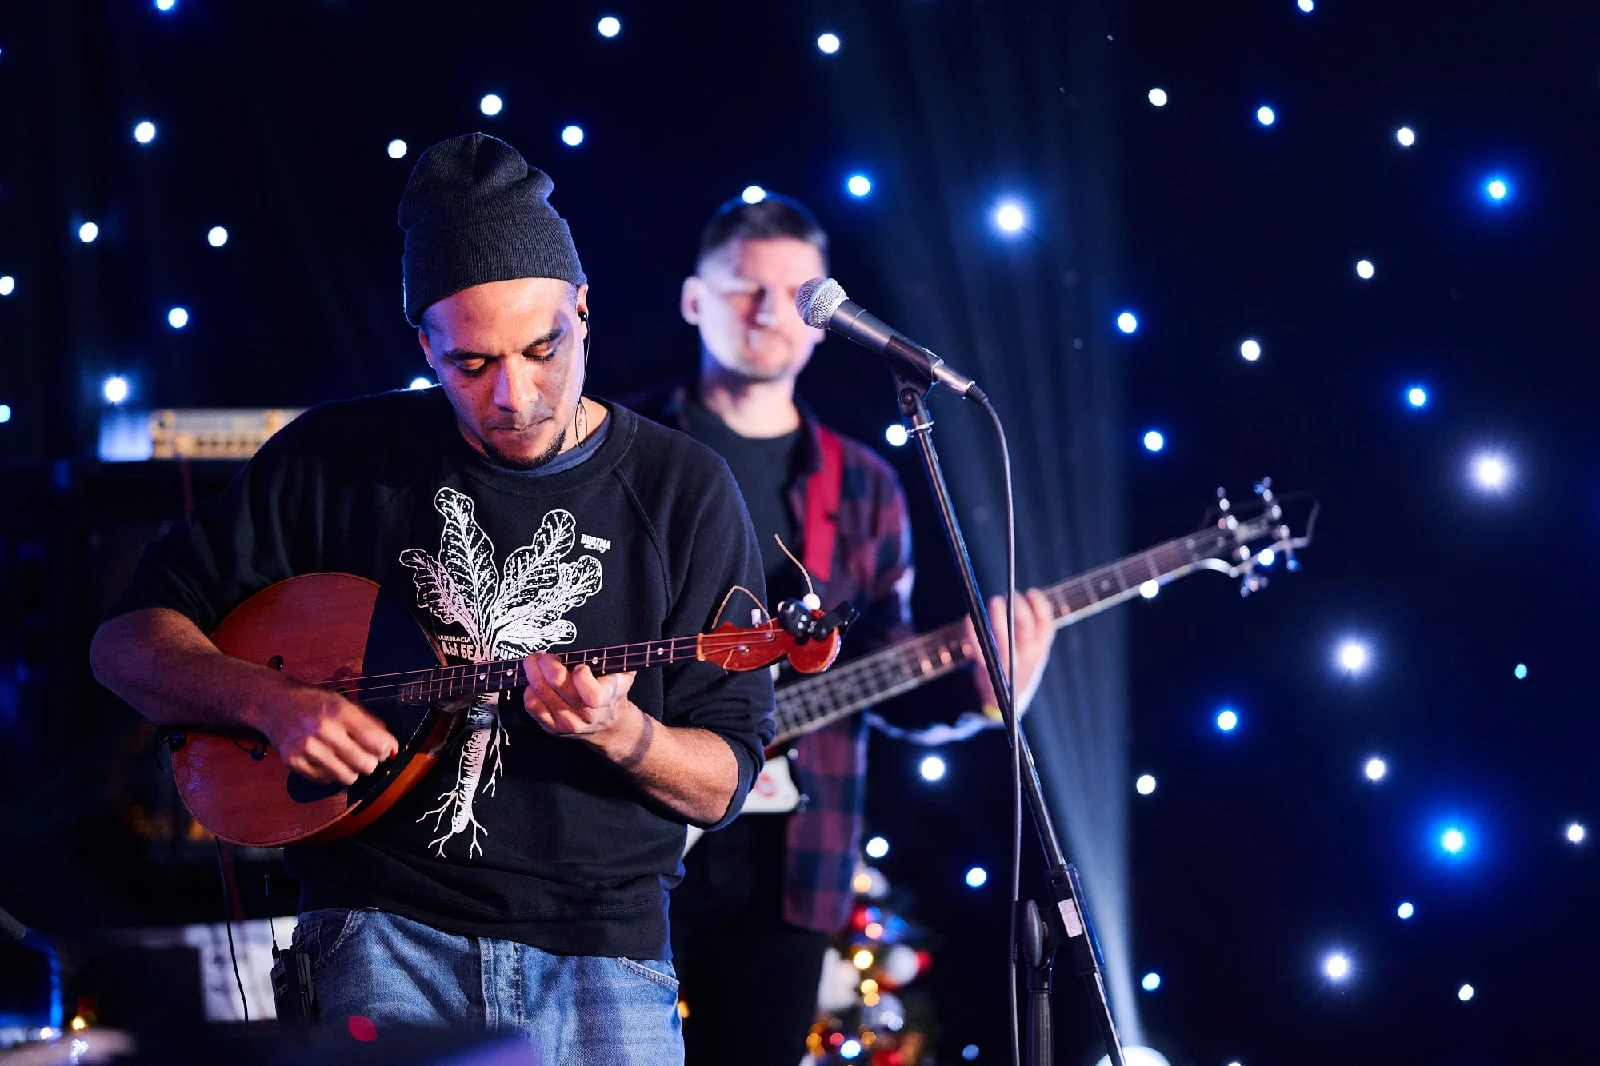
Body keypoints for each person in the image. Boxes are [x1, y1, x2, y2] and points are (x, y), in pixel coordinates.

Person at [87, 133, 775, 1064]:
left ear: (583, 307)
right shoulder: (335, 459)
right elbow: (125, 643)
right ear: (424, 344)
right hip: (376, 934)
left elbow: (725, 780)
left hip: (602, 957)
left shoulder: (683, 489)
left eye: (544, 348)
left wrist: (621, 732)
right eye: (472, 365)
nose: (516, 396)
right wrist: (269, 702)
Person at [628, 194, 1057, 1066]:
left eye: (794, 293)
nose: (767, 312)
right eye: (744, 288)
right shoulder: (624, 448)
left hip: (791, 872)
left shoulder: (864, 484)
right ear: (694, 299)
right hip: (630, 835)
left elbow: (885, 677)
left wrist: (982, 692)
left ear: (825, 318)